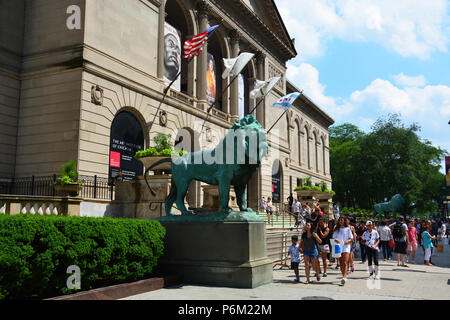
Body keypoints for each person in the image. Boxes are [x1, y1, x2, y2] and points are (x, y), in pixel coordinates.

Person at [332, 216, 354, 286]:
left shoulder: (347, 229)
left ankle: (344, 277)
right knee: (341, 262)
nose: (340, 221)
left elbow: (352, 238)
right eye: (339, 220)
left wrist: (348, 241)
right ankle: (343, 275)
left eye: (342, 220)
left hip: (346, 246)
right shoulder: (336, 229)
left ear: (344, 221)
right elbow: (333, 237)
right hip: (338, 246)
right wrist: (335, 239)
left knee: (345, 262)